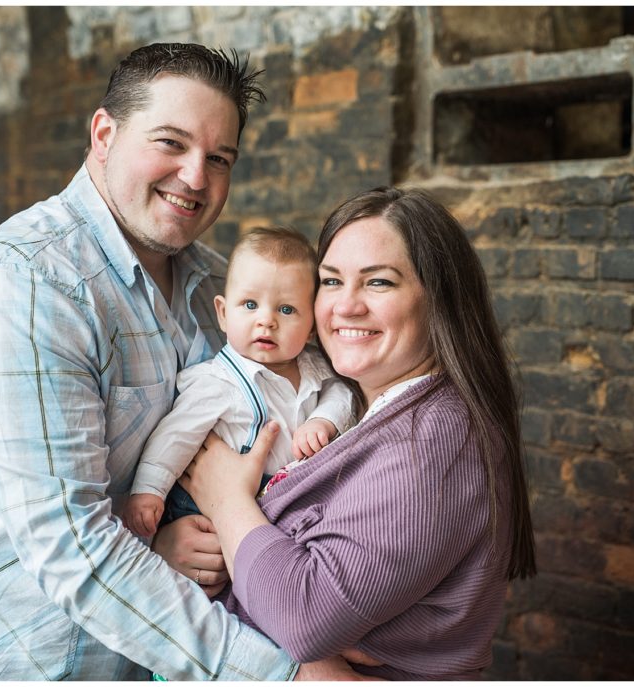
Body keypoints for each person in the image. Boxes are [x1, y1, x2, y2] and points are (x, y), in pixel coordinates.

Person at [0, 43, 355, 680]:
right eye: (170, 143)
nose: (196, 177)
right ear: (105, 134)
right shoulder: (25, 285)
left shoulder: (220, 293)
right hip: (5, 663)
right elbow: (73, 550)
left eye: (218, 158)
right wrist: (289, 673)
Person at [171, 186, 538, 680]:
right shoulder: (349, 405)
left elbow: (303, 617)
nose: (346, 306)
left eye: (379, 283)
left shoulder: (431, 443)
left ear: (440, 299)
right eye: (330, 281)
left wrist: (224, 499)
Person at [124, 227, 354, 542]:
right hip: (208, 505)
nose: (266, 320)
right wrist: (150, 489)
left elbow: (343, 395)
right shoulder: (217, 381)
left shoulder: (315, 366)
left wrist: (323, 420)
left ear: (312, 328)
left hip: (287, 498)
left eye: (286, 310)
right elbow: (177, 435)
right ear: (222, 313)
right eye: (249, 304)